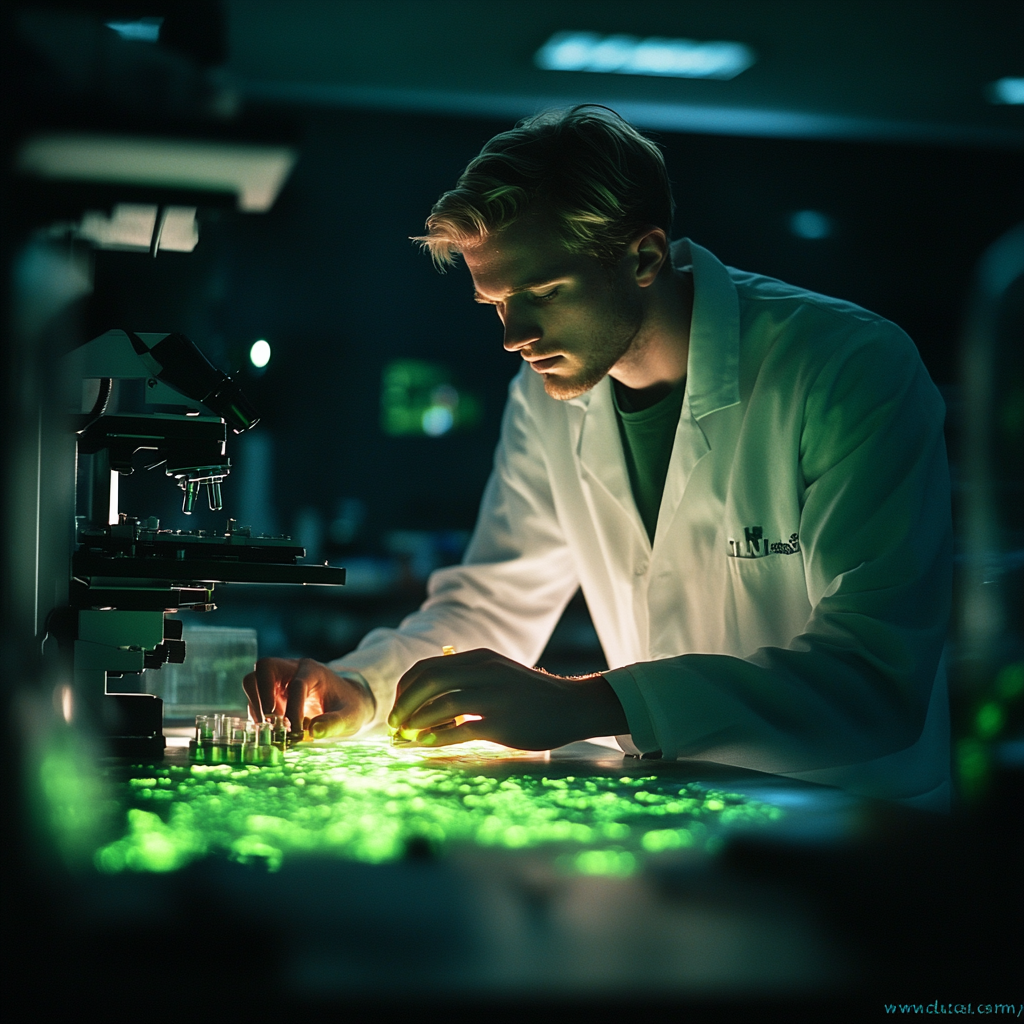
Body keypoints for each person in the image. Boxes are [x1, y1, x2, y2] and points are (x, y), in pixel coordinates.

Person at [243, 106, 952, 808]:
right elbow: (494, 601)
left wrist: (589, 704)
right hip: (678, 815)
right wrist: (363, 688)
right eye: (495, 303)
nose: (513, 336)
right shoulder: (545, 393)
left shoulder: (847, 368)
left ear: (643, 256)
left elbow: (874, 673)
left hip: (854, 830)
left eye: (543, 293)